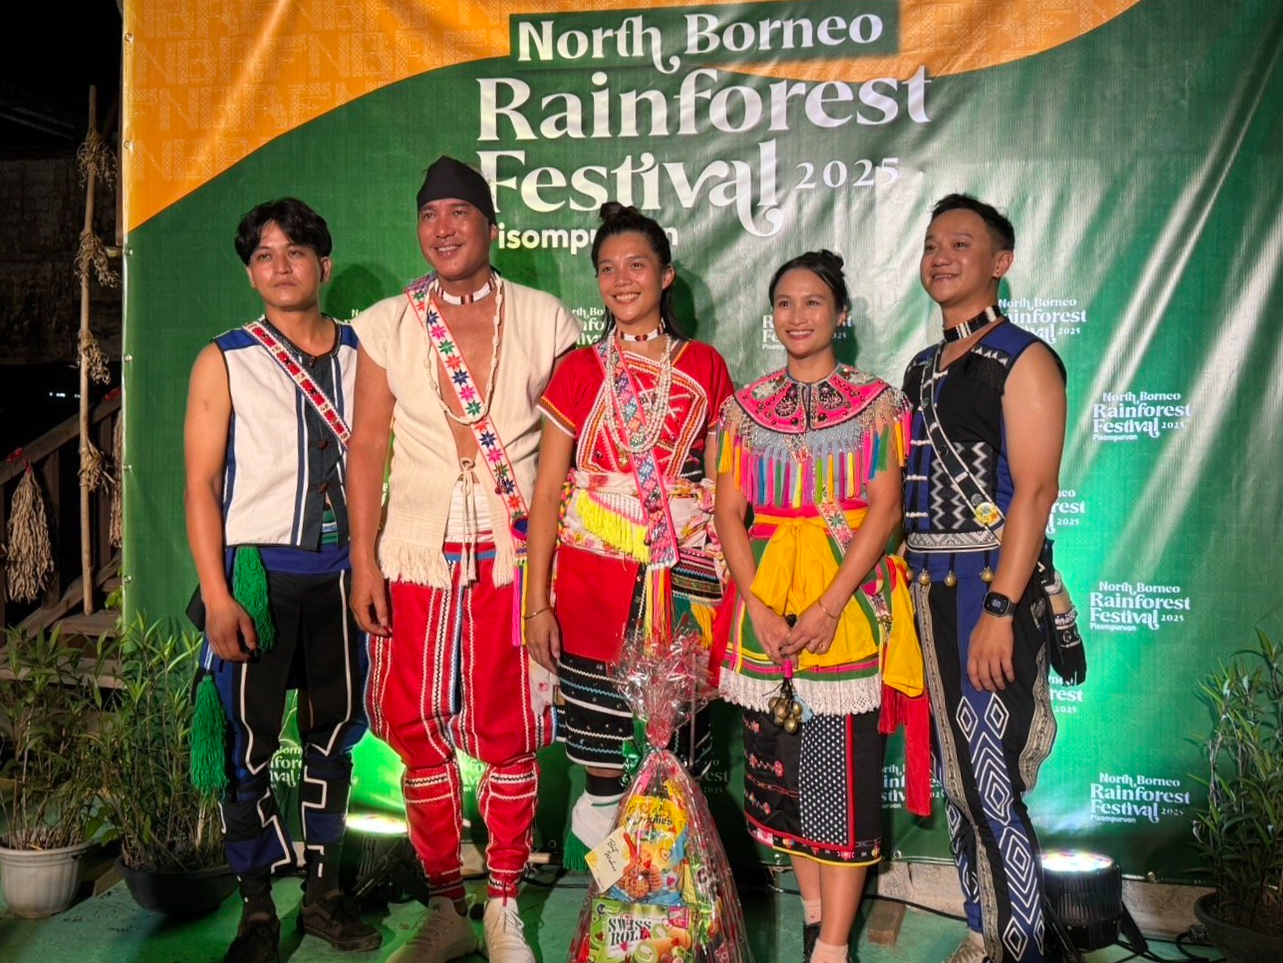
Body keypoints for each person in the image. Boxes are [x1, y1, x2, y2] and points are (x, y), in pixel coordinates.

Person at [347, 156, 580, 963]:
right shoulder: (386, 320)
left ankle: (505, 902)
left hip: (513, 556)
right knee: (416, 730)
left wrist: (552, 574)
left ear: (490, 227)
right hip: (414, 552)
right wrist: (364, 560)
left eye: (459, 213)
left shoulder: (547, 317)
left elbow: (565, 451)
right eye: (429, 215)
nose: (442, 228)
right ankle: (448, 901)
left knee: (510, 728)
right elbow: (368, 442)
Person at [714, 251, 926, 963]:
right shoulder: (742, 409)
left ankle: (833, 947)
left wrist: (833, 605)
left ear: (841, 314)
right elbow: (727, 514)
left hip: (846, 607)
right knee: (779, 780)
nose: (796, 316)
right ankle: (811, 917)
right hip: (764, 612)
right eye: (783, 303)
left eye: (812, 302)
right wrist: (760, 609)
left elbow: (885, 508)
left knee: (838, 787)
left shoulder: (875, 402)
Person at [184, 198, 380, 963]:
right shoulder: (225, 357)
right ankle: (258, 909)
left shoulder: (370, 355)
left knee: (333, 737)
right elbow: (201, 485)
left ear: (323, 263)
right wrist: (218, 594)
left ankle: (325, 896)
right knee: (248, 744)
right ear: (250, 271)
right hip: (258, 576)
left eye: (295, 251)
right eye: (264, 255)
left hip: (343, 577)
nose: (280, 265)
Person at [523, 203, 733, 868]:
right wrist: (537, 603)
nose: (621, 279)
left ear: (666, 275)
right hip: (590, 590)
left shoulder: (703, 365)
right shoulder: (580, 369)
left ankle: (668, 911)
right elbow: (547, 490)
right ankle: (614, 910)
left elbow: (726, 483)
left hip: (681, 591)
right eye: (607, 268)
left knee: (675, 761)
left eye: (636, 264)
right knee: (602, 764)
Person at [901, 194, 1067, 963]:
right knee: (959, 778)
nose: (940, 255)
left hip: (985, 585)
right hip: (926, 589)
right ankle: (982, 927)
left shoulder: (1022, 356)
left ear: (998, 263)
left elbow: (1032, 492)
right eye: (932, 243)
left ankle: (1021, 944)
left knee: (987, 776)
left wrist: (1001, 606)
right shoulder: (921, 366)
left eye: (959, 243)